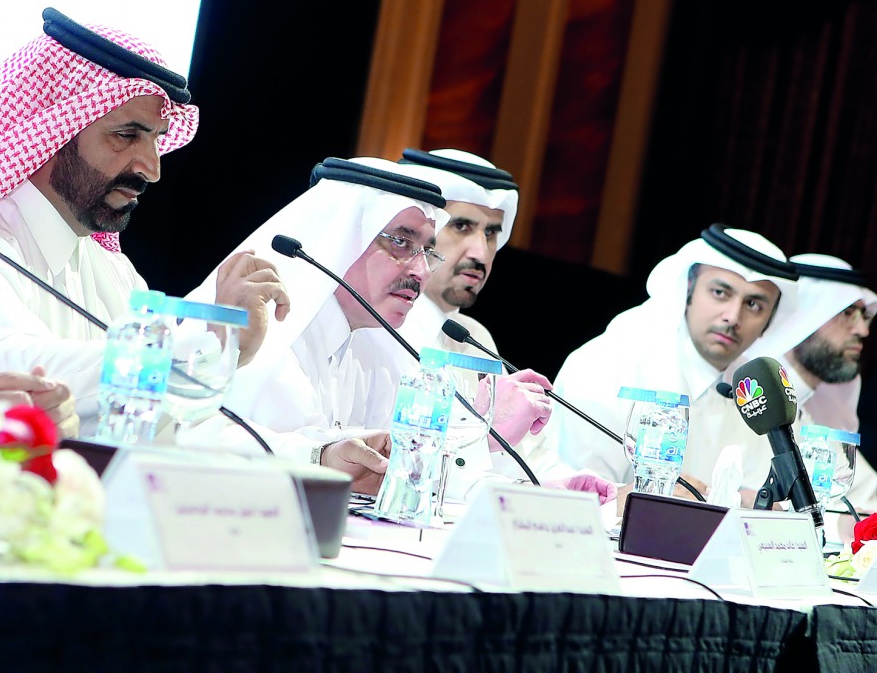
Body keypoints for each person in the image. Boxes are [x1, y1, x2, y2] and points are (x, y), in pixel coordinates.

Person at [193, 156, 613, 501]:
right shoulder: (270, 324)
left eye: (427, 250)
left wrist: (535, 491)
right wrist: (321, 458)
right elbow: (198, 443)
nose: (419, 270)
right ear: (344, 237)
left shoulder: (378, 350)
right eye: (400, 243)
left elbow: (399, 475)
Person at [0, 8, 290, 437]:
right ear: (49, 129)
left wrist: (317, 457)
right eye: (127, 136)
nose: (152, 168)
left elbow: (171, 425)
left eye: (157, 140)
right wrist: (207, 343)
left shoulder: (113, 269)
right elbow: (17, 368)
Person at [395, 147, 610, 496]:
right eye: (461, 226)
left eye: (491, 234)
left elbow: (519, 456)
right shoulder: (381, 325)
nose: (480, 253)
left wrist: (561, 487)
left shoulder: (474, 336)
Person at [550, 224, 799, 499]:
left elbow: (769, 501)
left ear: (769, 322)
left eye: (753, 305)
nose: (732, 317)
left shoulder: (759, 392)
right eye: (720, 293)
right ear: (689, 289)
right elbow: (579, 494)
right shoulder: (612, 362)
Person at [746, 253, 877, 511]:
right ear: (804, 317)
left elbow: (866, 494)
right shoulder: (751, 401)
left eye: (863, 315)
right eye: (847, 313)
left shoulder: (818, 412)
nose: (863, 331)